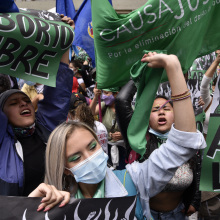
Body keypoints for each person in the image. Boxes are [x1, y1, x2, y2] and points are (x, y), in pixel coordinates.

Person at [43, 52, 206, 220]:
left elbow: (184, 143)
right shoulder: (57, 206)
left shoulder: (133, 180)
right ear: (66, 170)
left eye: (92, 147)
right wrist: (30, 208)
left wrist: (173, 67)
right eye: (76, 157)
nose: (89, 158)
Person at [115, 55, 203, 219]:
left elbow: (198, 170)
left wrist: (194, 200)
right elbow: (121, 101)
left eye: (166, 108)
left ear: (177, 115)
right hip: (145, 214)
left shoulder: (189, 142)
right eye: (154, 110)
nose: (161, 111)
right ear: (146, 119)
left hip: (178, 214)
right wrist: (144, 72)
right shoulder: (138, 140)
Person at [0, 16, 74, 197]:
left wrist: (63, 40)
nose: (24, 103)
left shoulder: (45, 129)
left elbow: (59, 90)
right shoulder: (2, 142)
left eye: (25, 100)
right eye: (14, 103)